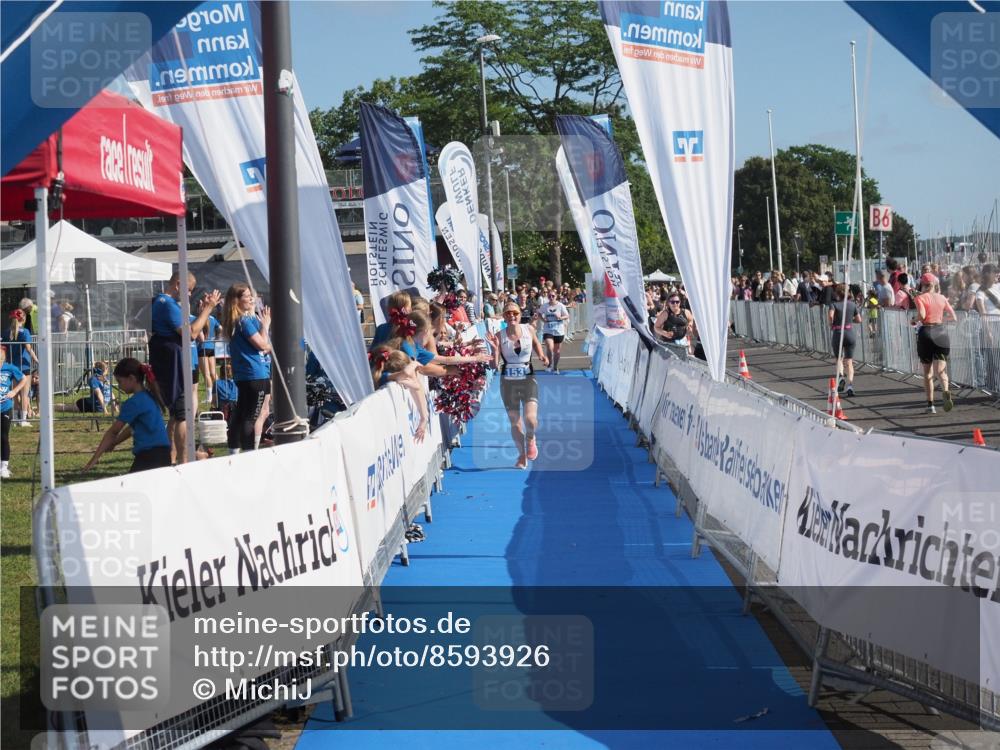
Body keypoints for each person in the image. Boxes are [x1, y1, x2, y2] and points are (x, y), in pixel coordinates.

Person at [149, 271, 221, 464]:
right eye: (188, 290)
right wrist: (209, 308)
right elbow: (192, 333)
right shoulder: (167, 304)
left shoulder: (165, 303)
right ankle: (184, 460)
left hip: (175, 363)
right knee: (183, 415)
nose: (189, 294)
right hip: (174, 365)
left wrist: (204, 311)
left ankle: (172, 458)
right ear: (178, 284)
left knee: (177, 414)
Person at [485, 302, 549, 469]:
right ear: (504, 316)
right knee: (516, 422)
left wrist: (541, 355)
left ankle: (531, 438)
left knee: (531, 420)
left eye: (515, 313)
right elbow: (493, 366)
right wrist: (495, 349)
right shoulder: (499, 336)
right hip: (508, 383)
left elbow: (536, 343)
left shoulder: (529, 329)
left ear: (520, 314)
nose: (512, 316)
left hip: (528, 379)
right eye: (508, 313)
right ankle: (521, 455)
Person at [83, 359, 171, 473]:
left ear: (131, 378)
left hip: (149, 457)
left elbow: (113, 432)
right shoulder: (149, 396)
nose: (119, 386)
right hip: (164, 454)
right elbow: (131, 428)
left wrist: (94, 459)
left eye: (120, 381)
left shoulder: (134, 402)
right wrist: (114, 443)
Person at [222, 283, 271, 454]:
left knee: (240, 415)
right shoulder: (243, 321)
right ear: (237, 300)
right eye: (247, 296)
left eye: (252, 295)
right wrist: (266, 326)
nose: (251, 299)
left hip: (244, 375)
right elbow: (262, 345)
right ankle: (250, 455)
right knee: (250, 417)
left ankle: (234, 453)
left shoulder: (235, 321)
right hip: (255, 374)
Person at [914, 273, 957, 414]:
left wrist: (914, 319)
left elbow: (922, 316)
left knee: (928, 373)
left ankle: (930, 405)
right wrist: (941, 320)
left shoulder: (920, 297)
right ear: (934, 284)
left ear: (922, 284)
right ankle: (945, 390)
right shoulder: (942, 298)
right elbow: (953, 317)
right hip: (941, 332)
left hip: (926, 332)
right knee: (941, 370)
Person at [369, 345, 428, 441]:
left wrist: (423, 418)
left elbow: (417, 386)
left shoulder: (395, 376)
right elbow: (406, 373)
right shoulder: (383, 376)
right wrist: (414, 363)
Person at [0, 345, 29, 479]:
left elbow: (23, 378)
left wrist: (15, 391)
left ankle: (4, 467)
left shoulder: (9, 368)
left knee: (3, 436)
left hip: (5, 407)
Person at [829, 284, 862, 397]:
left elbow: (830, 316)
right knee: (849, 362)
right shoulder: (852, 305)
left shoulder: (834, 304)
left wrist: (831, 324)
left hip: (838, 332)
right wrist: (849, 320)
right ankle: (850, 386)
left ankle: (841, 377)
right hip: (849, 332)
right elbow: (859, 320)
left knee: (839, 358)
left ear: (837, 294)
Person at [6, 309, 38, 426]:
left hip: (11, 366)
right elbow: (28, 348)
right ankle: (23, 420)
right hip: (24, 366)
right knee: (24, 394)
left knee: (14, 394)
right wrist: (37, 360)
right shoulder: (25, 332)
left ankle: (14, 419)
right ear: (23, 319)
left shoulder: (6, 332)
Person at [537, 293, 570, 372]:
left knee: (557, 351)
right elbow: (539, 313)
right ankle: (549, 365)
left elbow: (567, 316)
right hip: (548, 330)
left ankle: (555, 367)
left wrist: (560, 317)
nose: (551, 297)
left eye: (553, 296)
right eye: (549, 296)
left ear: (556, 296)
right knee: (549, 347)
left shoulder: (560, 305)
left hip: (558, 330)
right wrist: (543, 320)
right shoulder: (545, 306)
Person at [654, 293, 694, 358]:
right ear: (668, 303)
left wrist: (689, 325)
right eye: (672, 302)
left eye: (677, 302)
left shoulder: (686, 312)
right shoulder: (665, 314)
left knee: (682, 361)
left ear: (680, 302)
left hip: (682, 342)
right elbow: (656, 327)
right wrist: (665, 333)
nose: (675, 304)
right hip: (669, 344)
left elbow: (691, 319)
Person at [198, 310, 220, 404]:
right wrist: (217, 338)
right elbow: (221, 328)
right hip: (211, 347)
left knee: (206, 374)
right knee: (213, 373)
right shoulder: (213, 318)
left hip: (202, 348)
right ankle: (220, 392)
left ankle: (209, 398)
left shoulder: (199, 319)